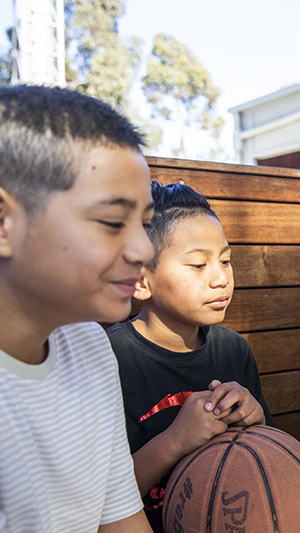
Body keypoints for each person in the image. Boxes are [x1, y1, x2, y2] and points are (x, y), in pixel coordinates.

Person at [0, 86, 154, 531]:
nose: (143, 248)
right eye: (112, 223)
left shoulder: (86, 343)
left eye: (145, 224)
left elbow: (120, 522)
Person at [106, 182, 272, 532]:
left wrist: (255, 421)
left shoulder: (233, 349)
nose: (220, 278)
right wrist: (175, 441)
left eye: (225, 260)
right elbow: (100, 499)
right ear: (140, 282)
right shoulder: (110, 359)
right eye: (198, 265)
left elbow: (266, 463)